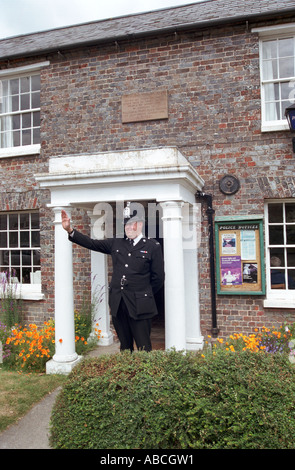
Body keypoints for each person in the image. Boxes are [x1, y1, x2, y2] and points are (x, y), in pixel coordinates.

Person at [61, 206, 164, 352]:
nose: (128, 227)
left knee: (143, 347)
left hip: (140, 306)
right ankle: (126, 373)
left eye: (132, 223)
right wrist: (70, 231)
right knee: (125, 346)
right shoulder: (117, 243)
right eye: (126, 224)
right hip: (119, 303)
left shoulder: (152, 246)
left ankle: (143, 374)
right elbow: (92, 243)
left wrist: (143, 294)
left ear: (140, 224)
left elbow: (158, 278)